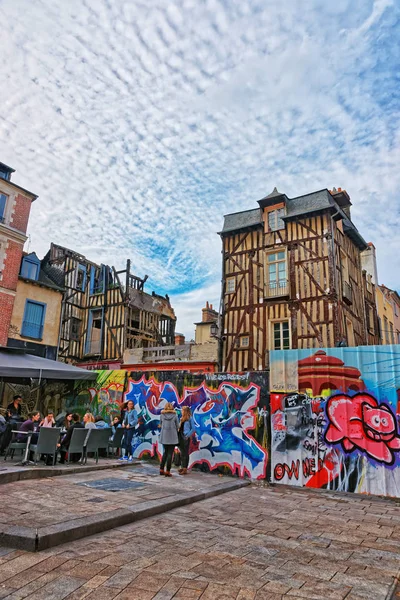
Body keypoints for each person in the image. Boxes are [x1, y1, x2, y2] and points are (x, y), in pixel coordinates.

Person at [159, 402, 179, 477]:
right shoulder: (175, 415)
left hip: (164, 436)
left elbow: (160, 423)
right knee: (170, 453)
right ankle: (167, 471)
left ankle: (161, 469)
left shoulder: (162, 415)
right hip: (172, 436)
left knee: (165, 452)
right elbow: (177, 425)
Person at [178, 407, 195, 475]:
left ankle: (185, 468)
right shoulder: (182, 418)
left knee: (185, 452)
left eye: (182, 410)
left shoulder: (190, 418)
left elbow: (193, 428)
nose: (181, 411)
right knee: (182, 452)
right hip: (180, 436)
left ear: (185, 411)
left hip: (185, 437)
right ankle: (182, 467)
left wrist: (187, 435)